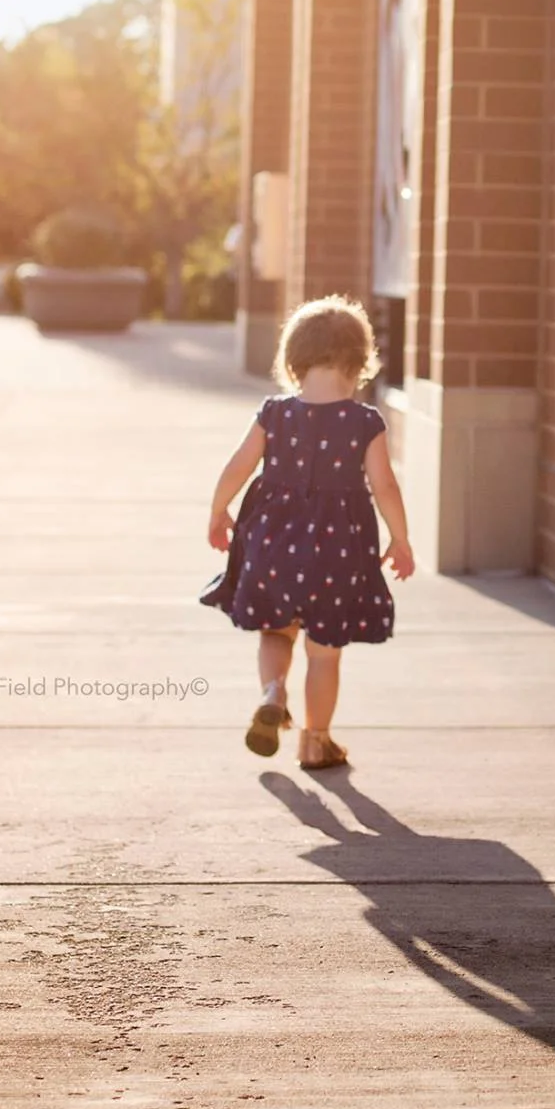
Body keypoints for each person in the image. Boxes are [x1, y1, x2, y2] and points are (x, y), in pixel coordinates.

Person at [201, 294, 414, 769]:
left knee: (276, 632)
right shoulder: (364, 422)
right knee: (324, 655)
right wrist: (401, 540)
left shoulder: (274, 413)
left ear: (293, 359)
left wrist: (218, 512)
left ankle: (272, 691)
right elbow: (385, 486)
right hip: (336, 558)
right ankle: (316, 742)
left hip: (271, 548)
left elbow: (238, 465)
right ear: (360, 363)